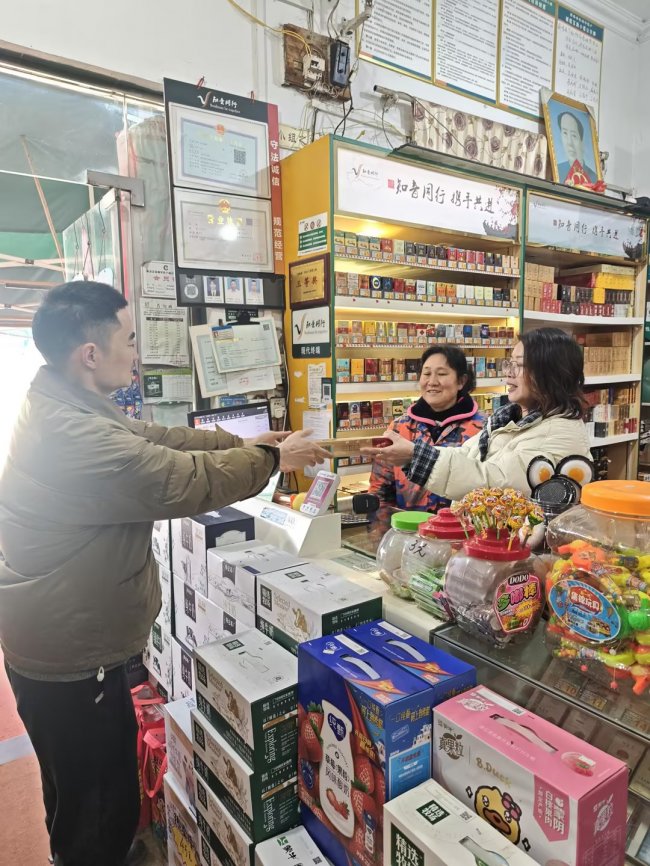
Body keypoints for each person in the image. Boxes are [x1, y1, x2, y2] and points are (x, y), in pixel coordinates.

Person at [0, 281, 329, 866]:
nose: (137, 352)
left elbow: (159, 438)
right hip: (73, 654)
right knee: (100, 806)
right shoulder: (75, 434)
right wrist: (273, 460)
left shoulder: (65, 402)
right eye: (130, 339)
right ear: (90, 354)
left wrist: (247, 441)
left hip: (61, 635)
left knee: (77, 793)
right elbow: (182, 480)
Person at [363, 328, 591, 500]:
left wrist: (416, 456)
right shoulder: (507, 422)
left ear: (549, 373)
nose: (508, 373)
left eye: (519, 365)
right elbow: (465, 455)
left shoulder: (557, 432)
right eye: (509, 364)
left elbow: (494, 482)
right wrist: (414, 455)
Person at [369, 345, 484, 516]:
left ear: (461, 381)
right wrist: (382, 528)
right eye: (427, 373)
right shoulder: (399, 428)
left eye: (442, 374)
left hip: (462, 530)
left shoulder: (483, 429)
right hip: (407, 529)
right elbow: (379, 491)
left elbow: (488, 488)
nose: (432, 381)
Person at [556, 111, 597, 183]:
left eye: (574, 135)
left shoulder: (594, 179)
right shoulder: (556, 171)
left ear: (582, 142)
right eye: (565, 133)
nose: (569, 142)